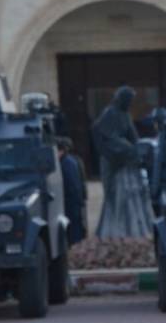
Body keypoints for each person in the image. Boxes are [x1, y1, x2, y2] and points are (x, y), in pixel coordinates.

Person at [91, 86, 154, 238]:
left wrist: (138, 148)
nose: (130, 103)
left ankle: (132, 230)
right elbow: (102, 134)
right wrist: (123, 146)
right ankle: (114, 231)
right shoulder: (110, 113)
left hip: (126, 160)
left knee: (130, 195)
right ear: (121, 99)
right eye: (128, 100)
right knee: (113, 196)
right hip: (112, 160)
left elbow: (133, 135)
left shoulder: (125, 114)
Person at [57, 137, 85, 246]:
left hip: (71, 202)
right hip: (72, 201)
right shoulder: (69, 161)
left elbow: (72, 185)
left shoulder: (67, 163)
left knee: (74, 230)